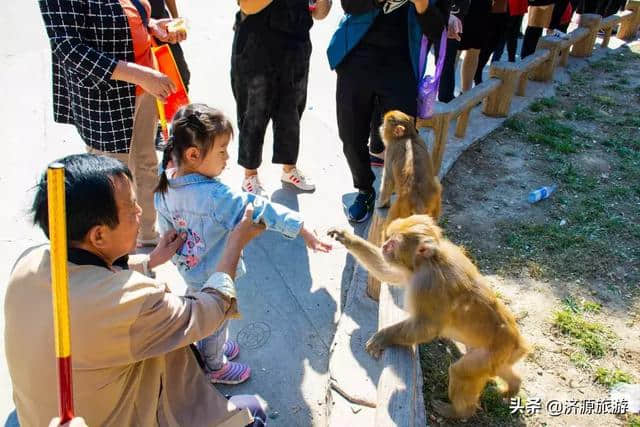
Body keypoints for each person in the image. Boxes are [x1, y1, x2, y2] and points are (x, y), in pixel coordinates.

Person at [5, 154, 268, 427]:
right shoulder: (133, 303)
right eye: (131, 208)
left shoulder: (28, 263)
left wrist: (150, 260)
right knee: (255, 411)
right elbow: (207, 311)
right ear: (98, 235)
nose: (140, 212)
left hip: (36, 416)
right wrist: (236, 242)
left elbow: (91, 279)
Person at [154, 103, 332, 384]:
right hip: (216, 273)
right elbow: (261, 209)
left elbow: (166, 233)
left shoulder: (167, 181)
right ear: (193, 154)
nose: (227, 158)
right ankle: (214, 365)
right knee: (216, 317)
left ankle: (211, 345)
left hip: (189, 268)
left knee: (202, 310)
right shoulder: (216, 195)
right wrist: (302, 228)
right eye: (222, 151)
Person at [38, 0, 186, 247]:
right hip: (105, 99)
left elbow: (120, 15)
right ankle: (119, 256)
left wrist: (150, 26)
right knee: (113, 183)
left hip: (144, 88)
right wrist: (139, 74)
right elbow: (69, 48)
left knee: (146, 163)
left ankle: (148, 238)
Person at [328, 0, 448, 223]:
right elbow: (349, 5)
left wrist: (422, 4)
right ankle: (365, 189)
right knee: (350, 136)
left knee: (404, 139)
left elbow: (437, 30)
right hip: (357, 57)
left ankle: (405, 199)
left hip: (401, 64)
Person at [231, 0, 332, 197]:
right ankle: (250, 174)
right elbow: (248, 6)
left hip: (296, 45)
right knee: (253, 112)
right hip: (255, 45)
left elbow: (320, 13)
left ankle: (289, 169)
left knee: (292, 111)